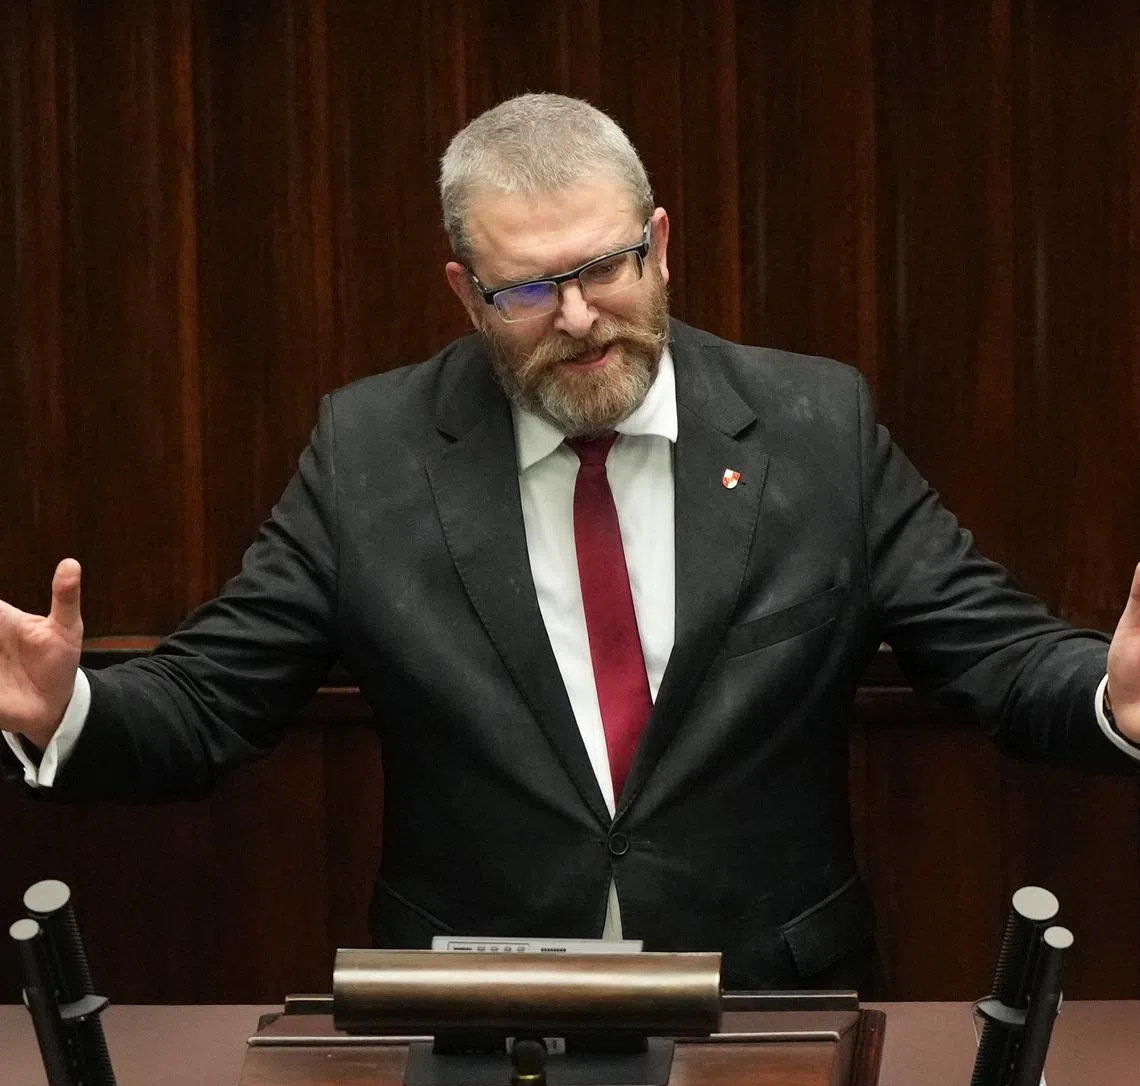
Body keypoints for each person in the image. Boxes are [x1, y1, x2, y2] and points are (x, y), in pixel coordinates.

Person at [3, 94, 1140, 993]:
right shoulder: (373, 451)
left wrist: (1111, 697)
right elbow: (212, 701)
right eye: (530, 289)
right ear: (465, 292)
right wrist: (71, 713)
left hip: (768, 1003)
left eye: (603, 267)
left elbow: (997, 657)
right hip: (472, 1015)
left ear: (658, 243)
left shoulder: (813, 428)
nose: (581, 316)